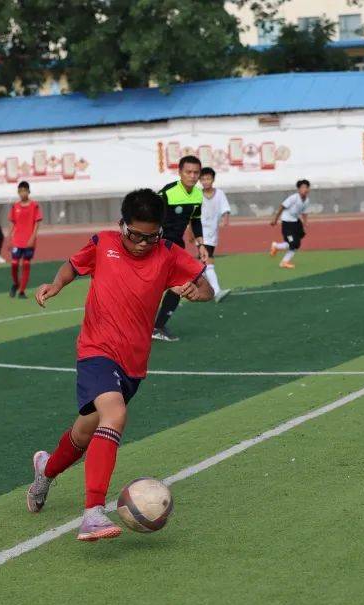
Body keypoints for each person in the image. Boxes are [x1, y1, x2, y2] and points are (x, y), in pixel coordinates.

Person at [25, 188, 213, 541]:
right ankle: (93, 512)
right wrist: (56, 284)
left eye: (151, 236)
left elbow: (207, 289)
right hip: (96, 350)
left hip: (133, 363)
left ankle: (45, 470)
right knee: (115, 416)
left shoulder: (169, 254)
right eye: (135, 235)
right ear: (121, 225)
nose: (142, 243)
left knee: (85, 432)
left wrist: (194, 291)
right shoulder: (103, 243)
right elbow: (73, 265)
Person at [151, 155, 205, 342]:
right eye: (188, 172)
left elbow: (195, 220)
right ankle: (150, 326)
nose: (192, 176)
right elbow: (149, 214)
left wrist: (200, 243)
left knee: (181, 284)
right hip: (159, 246)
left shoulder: (198, 195)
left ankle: (157, 326)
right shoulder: (167, 193)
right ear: (180, 173)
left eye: (196, 172)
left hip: (177, 247)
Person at [198, 167, 232, 302]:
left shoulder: (219, 194)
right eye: (203, 179)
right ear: (200, 181)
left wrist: (225, 219)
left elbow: (225, 208)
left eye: (208, 178)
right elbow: (192, 214)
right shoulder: (197, 194)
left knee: (203, 263)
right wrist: (190, 231)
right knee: (208, 260)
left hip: (212, 233)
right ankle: (216, 292)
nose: (206, 181)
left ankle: (200, 286)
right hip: (200, 233)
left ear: (213, 179)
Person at [8, 181, 42, 299]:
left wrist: (33, 238)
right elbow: (12, 223)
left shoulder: (34, 206)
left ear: (29, 191)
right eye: (20, 191)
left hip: (28, 241)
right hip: (17, 240)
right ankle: (16, 283)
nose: (23, 193)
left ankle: (22, 291)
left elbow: (37, 223)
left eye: (25, 190)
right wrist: (9, 238)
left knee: (26, 264)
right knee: (14, 264)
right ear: (18, 192)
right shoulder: (15, 206)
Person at [268, 179, 311, 269]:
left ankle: (284, 262)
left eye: (306, 187)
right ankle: (276, 246)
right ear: (298, 189)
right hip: (287, 223)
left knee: (297, 244)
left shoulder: (306, 200)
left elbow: (304, 212)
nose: (305, 189)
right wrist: (275, 220)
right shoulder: (293, 198)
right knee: (292, 243)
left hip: (296, 222)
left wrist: (305, 222)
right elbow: (282, 206)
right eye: (302, 187)